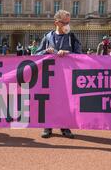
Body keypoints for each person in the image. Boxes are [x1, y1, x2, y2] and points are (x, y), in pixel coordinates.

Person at [35, 9, 82, 139]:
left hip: (67, 76)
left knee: (66, 101)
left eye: (69, 22)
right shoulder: (48, 37)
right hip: (49, 75)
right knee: (49, 100)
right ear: (57, 22)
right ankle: (47, 126)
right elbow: (36, 55)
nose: (68, 25)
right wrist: (45, 51)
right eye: (65, 22)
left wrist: (69, 54)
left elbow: (81, 55)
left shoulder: (72, 37)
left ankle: (65, 126)